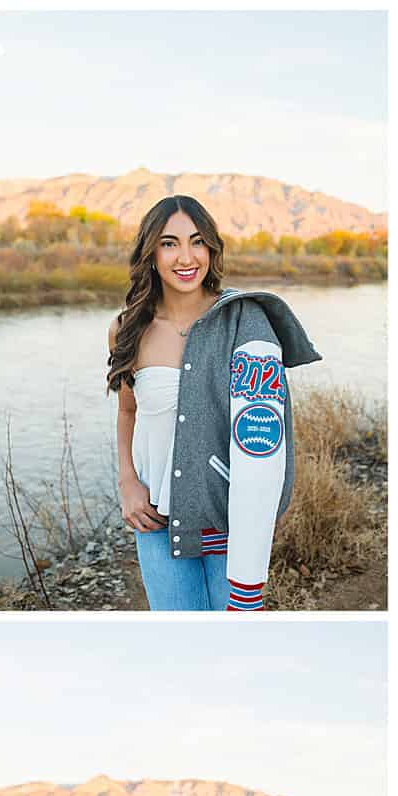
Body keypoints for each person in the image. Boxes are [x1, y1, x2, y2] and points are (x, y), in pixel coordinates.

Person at [104, 196, 320, 610]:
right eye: (169, 243)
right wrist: (128, 482)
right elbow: (128, 411)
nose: (186, 257)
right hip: (157, 521)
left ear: (212, 250)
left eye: (197, 242)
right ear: (150, 252)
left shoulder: (244, 322)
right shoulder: (125, 328)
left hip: (226, 520)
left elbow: (263, 434)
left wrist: (258, 518)